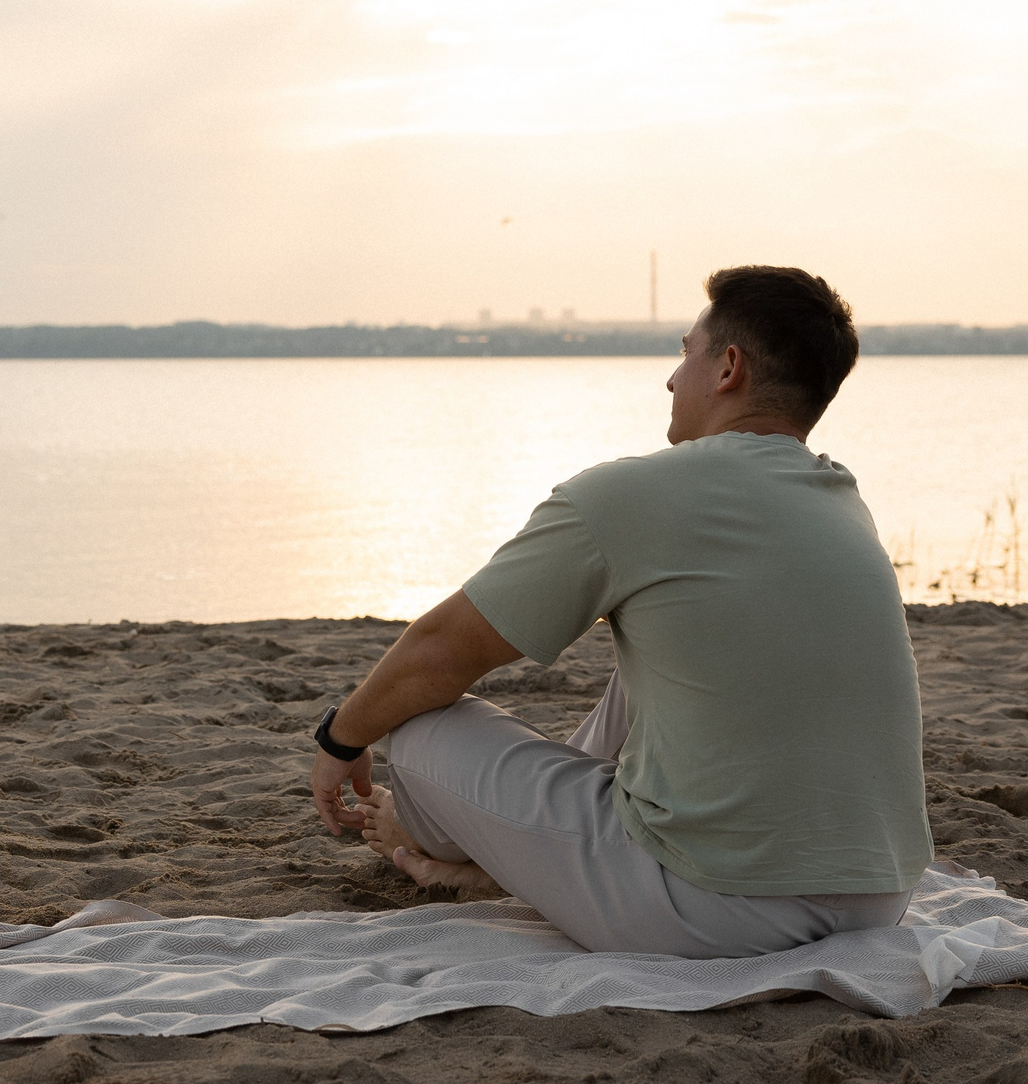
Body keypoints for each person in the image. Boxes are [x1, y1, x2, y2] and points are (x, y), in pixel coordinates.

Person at [307, 265, 930, 958]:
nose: (671, 379)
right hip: (879, 900)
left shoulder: (632, 495)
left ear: (728, 368)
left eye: (685, 352)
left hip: (716, 906)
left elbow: (437, 652)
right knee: (661, 660)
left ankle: (453, 844)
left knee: (414, 722)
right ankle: (508, 860)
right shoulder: (840, 501)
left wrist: (340, 740)